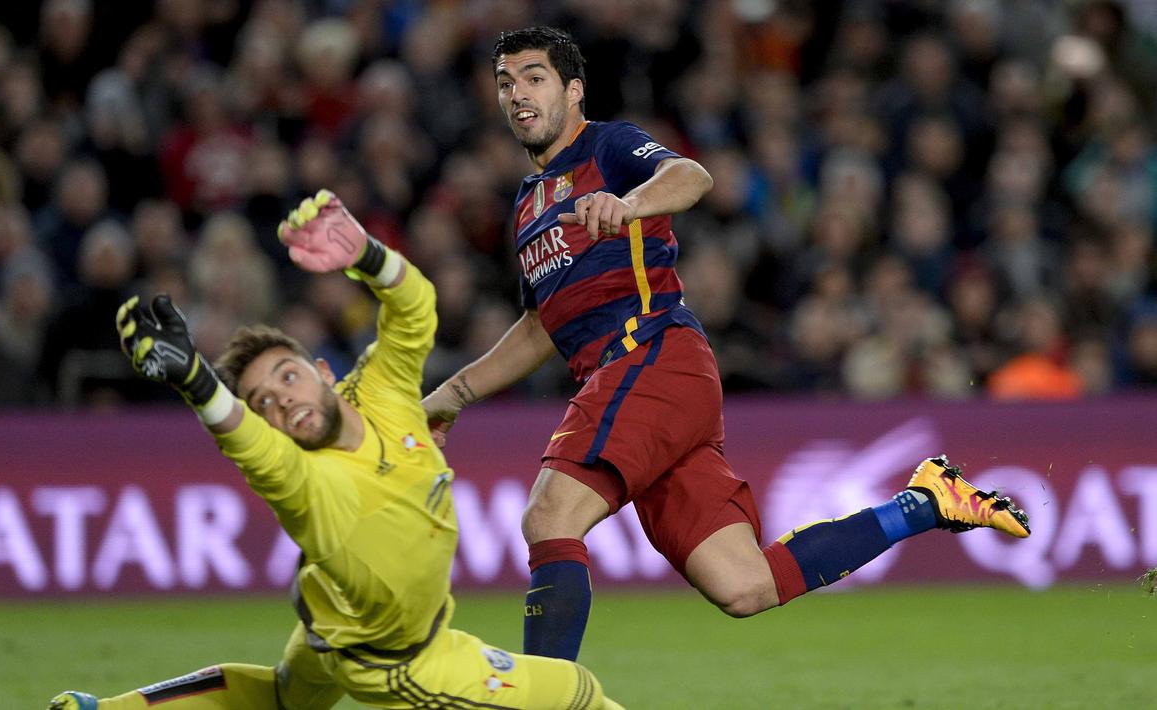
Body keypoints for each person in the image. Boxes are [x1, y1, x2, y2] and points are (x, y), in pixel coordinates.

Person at [422, 27, 1032, 663]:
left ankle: (540, 700)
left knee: (549, 518)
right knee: (744, 585)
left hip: (650, 356)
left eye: (533, 77)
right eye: (505, 82)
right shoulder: (525, 206)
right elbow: (539, 327)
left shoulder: (608, 145)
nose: (517, 94)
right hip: (648, 387)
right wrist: (452, 394)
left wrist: (627, 206)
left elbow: (692, 177)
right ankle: (926, 502)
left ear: (573, 91)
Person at [50, 190, 624, 710]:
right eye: (262, 402)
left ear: (324, 371)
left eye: (287, 377)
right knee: (575, 693)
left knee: (283, 696)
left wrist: (364, 251)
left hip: (327, 613)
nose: (281, 402)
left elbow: (414, 307)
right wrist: (197, 382)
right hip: (402, 660)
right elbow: (250, 448)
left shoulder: (379, 389)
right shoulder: (302, 478)